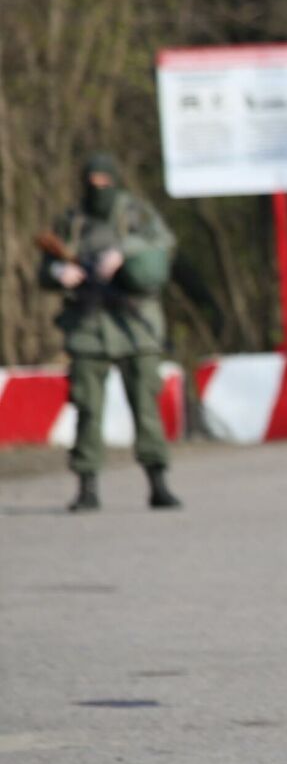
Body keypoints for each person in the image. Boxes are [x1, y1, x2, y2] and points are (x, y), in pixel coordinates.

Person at [36, 152, 181, 511]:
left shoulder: (137, 214)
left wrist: (122, 252)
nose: (98, 188)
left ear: (115, 180)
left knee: (146, 406)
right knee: (87, 408)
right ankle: (87, 487)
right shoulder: (71, 221)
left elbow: (164, 242)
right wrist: (58, 274)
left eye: (104, 181)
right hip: (88, 327)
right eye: (92, 181)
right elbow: (44, 268)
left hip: (135, 327)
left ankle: (157, 481)